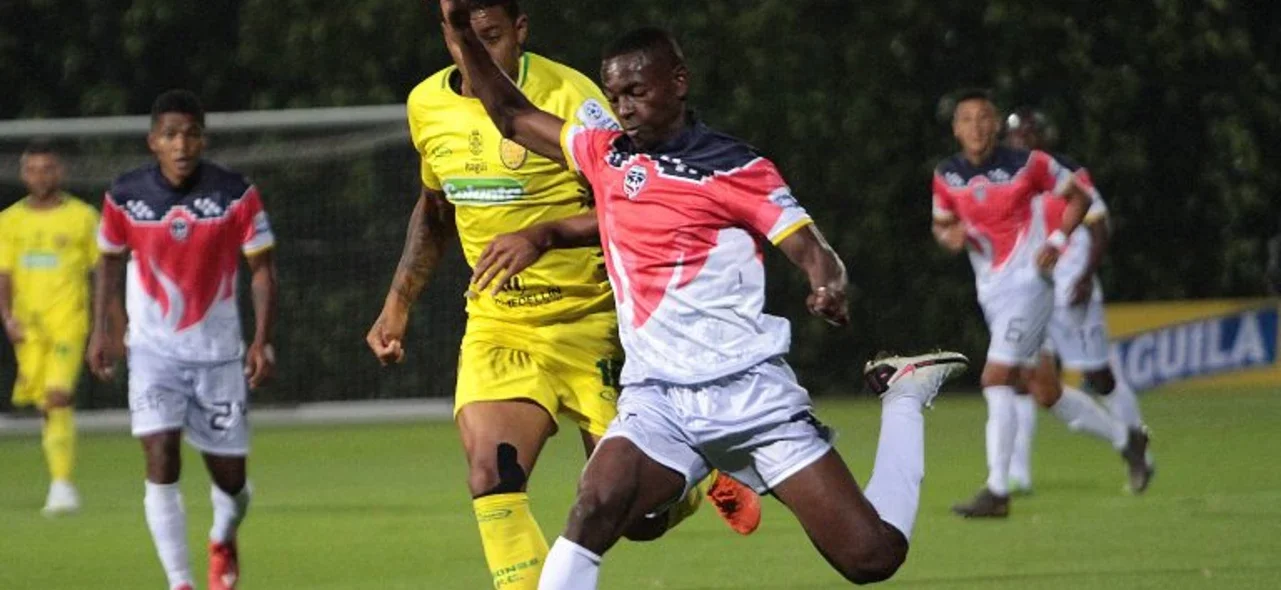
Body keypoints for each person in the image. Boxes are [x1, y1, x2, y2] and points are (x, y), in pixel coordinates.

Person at [442, 6, 971, 585]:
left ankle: (903, 396)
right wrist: (462, 31)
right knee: (593, 510)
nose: (623, 108)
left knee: (871, 558)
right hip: (657, 401)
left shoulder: (735, 167)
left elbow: (810, 247)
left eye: (636, 91)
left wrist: (827, 282)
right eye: (615, 95)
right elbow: (511, 113)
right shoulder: (607, 153)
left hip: (748, 396)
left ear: (678, 82)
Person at [365, 2, 759, 588]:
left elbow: (640, 201)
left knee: (638, 518)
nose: (475, 54)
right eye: (461, 39)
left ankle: (697, 475)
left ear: (520, 32)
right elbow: (435, 208)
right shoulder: (427, 105)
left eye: (492, 38)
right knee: (491, 476)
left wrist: (544, 236)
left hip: (593, 323)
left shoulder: (571, 98)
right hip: (500, 326)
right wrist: (398, 301)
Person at [87, 89, 278, 590]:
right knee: (160, 455)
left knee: (231, 482)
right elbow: (107, 261)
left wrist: (261, 339)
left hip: (217, 356)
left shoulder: (236, 193)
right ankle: (181, 582)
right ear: (153, 141)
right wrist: (103, 330)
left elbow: (262, 269)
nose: (181, 143)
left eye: (191, 133)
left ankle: (223, 533)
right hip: (153, 352)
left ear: (203, 138)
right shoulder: (125, 195)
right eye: (170, 134)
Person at [931, 90, 1152, 518]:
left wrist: (1056, 240)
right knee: (1045, 390)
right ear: (956, 128)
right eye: (967, 120)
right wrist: (949, 238)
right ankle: (1128, 439)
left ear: (995, 125)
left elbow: (1081, 198)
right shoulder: (946, 175)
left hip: (1030, 286)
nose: (976, 127)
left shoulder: (1028, 164)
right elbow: (943, 224)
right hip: (993, 291)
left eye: (983, 118)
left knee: (996, 379)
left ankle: (998, 490)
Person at [1003, 108, 1152, 495]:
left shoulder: (1067, 173)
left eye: (1027, 134)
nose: (1019, 141)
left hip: (1072, 290)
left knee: (1099, 378)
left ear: (1042, 137)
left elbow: (1099, 225)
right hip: (1036, 296)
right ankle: (1018, 474)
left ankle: (1138, 449)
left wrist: (1085, 275)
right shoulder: (1010, 181)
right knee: (1033, 384)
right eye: (1014, 135)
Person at [0, 142, 99, 515]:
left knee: (57, 395)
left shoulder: (83, 217)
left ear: (61, 172)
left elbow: (103, 270)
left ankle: (61, 486)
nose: (41, 176)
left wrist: (111, 320)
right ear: (24, 174)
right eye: (34, 169)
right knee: (46, 404)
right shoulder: (9, 221)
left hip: (69, 323)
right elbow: (4, 274)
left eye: (48, 169)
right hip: (28, 328)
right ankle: (60, 480)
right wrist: (7, 317)